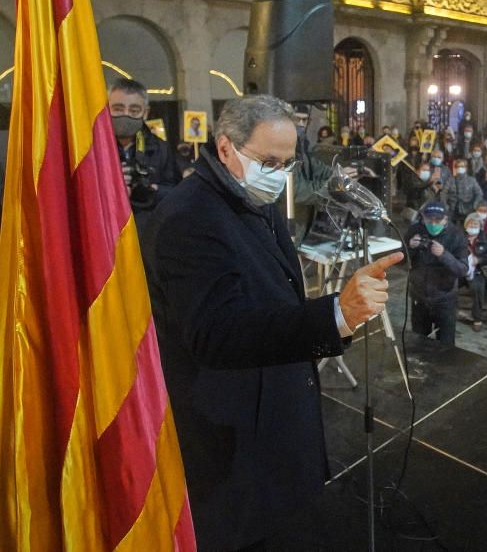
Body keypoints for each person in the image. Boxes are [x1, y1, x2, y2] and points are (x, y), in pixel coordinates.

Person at [144, 94, 403, 548]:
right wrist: (335, 315)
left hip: (272, 406)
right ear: (226, 148)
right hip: (231, 432)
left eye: (287, 164)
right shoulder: (191, 217)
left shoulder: (248, 194)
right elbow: (218, 334)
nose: (279, 174)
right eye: (269, 160)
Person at [109, 78, 180, 233]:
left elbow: (177, 193)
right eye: (118, 109)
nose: (126, 115)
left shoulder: (160, 148)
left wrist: (151, 189)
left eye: (134, 111)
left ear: (145, 113)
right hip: (106, 231)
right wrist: (109, 183)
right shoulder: (94, 149)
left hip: (147, 232)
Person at [405, 200, 470, 346]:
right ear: (423, 217)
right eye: (429, 219)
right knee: (419, 341)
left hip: (444, 298)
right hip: (419, 296)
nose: (433, 223)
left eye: (438, 220)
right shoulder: (415, 230)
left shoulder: (456, 235)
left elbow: (463, 269)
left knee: (446, 344)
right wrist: (410, 247)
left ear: (446, 219)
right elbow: (400, 260)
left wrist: (443, 255)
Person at [462, 213, 487, 331]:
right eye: (470, 224)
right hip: (460, 268)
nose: (473, 226)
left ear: (480, 226)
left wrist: (479, 259)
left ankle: (477, 318)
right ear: (466, 225)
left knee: (478, 288)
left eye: (475, 224)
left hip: (478, 270)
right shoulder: (459, 237)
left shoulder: (485, 239)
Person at [442, 157, 484, 222]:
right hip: (453, 209)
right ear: (455, 168)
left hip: (468, 209)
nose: (460, 168)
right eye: (458, 166)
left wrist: (475, 205)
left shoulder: (472, 180)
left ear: (466, 168)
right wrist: (446, 206)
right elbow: (443, 193)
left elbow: (479, 193)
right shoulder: (450, 180)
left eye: (462, 166)